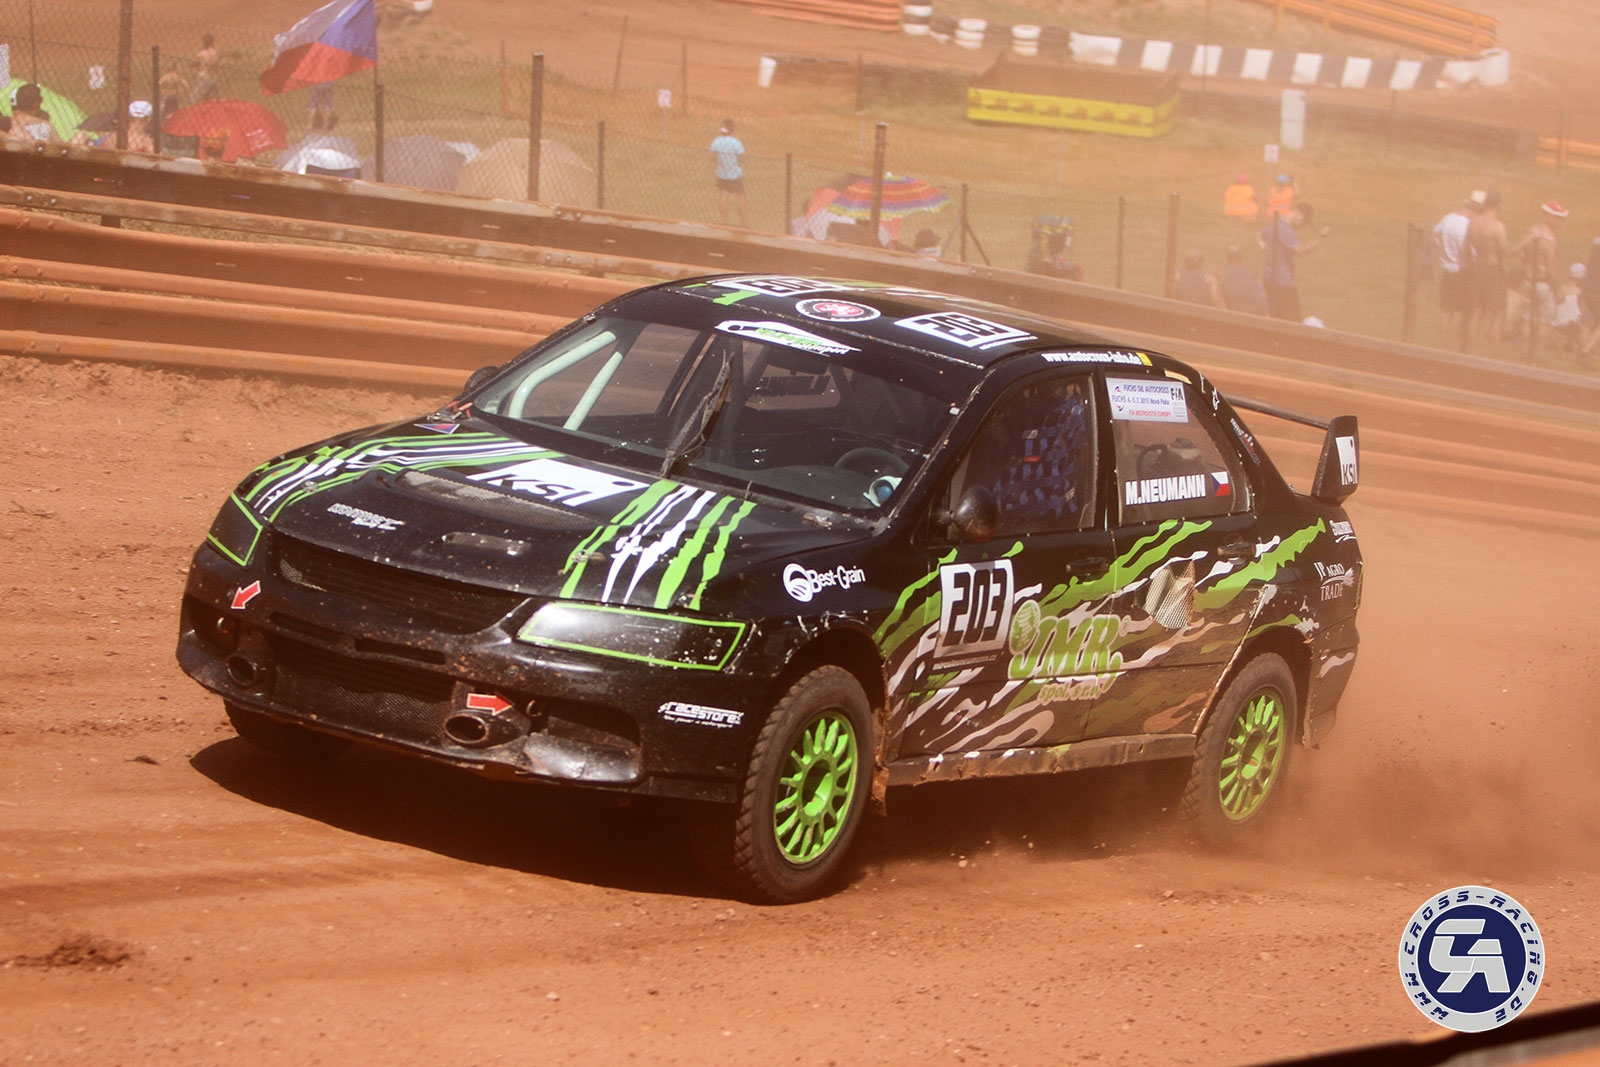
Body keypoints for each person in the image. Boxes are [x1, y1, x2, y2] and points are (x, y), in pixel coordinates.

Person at [1510, 201, 1568, 355]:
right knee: (1544, 322)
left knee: (1528, 319)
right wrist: (1558, 290)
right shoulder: (1550, 239)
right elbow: (1551, 270)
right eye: (1559, 218)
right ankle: (1540, 355)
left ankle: (1524, 352)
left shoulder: (1533, 232)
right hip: (1544, 284)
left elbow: (1520, 254)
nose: (1561, 221)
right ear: (1549, 217)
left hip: (1529, 282)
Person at [1258, 201, 1329, 322]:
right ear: (1300, 216)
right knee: (1294, 320)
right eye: (1304, 222)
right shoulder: (1285, 229)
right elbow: (1301, 251)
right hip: (1282, 282)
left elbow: (1260, 235)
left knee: (1276, 318)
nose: (1302, 226)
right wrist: (1321, 239)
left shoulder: (1275, 224)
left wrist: (1267, 250)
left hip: (1268, 278)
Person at [1464, 190, 1508, 353]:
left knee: (1476, 312)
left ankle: (1471, 349)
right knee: (1498, 313)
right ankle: (1492, 353)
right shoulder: (1497, 226)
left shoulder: (1473, 223)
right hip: (1493, 270)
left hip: (1477, 267)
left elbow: (1466, 249)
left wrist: (1471, 267)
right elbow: (1505, 252)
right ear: (1497, 205)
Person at [1433, 192, 1478, 349]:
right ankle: (1463, 349)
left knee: (1446, 312)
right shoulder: (1468, 227)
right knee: (1467, 313)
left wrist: (1444, 252)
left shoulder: (1448, 218)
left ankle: (1442, 346)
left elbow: (1436, 234)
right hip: (1463, 273)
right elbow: (1472, 254)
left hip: (1447, 271)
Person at [709, 118, 747, 227]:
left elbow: (711, 157)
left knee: (723, 196)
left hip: (722, 173)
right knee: (741, 196)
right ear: (732, 129)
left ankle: (725, 222)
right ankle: (743, 223)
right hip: (734, 174)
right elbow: (742, 159)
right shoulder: (736, 143)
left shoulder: (716, 141)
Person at [1220, 244, 1268, 314]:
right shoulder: (1246, 269)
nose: (1234, 260)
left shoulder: (1227, 271)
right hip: (1251, 306)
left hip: (1243, 306)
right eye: (1233, 257)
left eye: (1234, 257)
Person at [193, 33, 220, 103]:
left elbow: (194, 62)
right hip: (213, 77)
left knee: (195, 100)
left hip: (204, 76)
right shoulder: (215, 52)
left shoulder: (202, 53)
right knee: (212, 101)